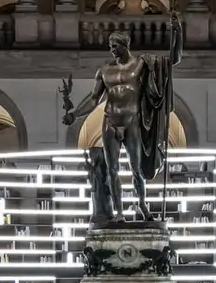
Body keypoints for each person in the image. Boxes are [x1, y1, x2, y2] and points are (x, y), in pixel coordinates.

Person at [60, 20, 181, 221]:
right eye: (110, 47)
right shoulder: (104, 70)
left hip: (132, 120)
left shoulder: (142, 64)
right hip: (110, 121)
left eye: (114, 46)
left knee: (137, 169)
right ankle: (119, 213)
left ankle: (142, 205)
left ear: (125, 45)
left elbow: (174, 59)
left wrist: (178, 32)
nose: (112, 50)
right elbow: (93, 99)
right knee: (112, 170)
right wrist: (75, 115)